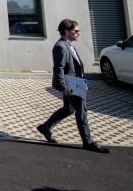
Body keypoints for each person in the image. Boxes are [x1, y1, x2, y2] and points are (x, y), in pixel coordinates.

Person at [37, 19, 111, 154]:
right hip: (71, 86)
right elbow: (58, 68)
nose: (78, 33)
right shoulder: (61, 46)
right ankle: (88, 142)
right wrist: (62, 87)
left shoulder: (68, 44)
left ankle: (46, 127)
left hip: (76, 83)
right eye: (75, 31)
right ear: (66, 31)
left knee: (69, 109)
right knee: (81, 112)